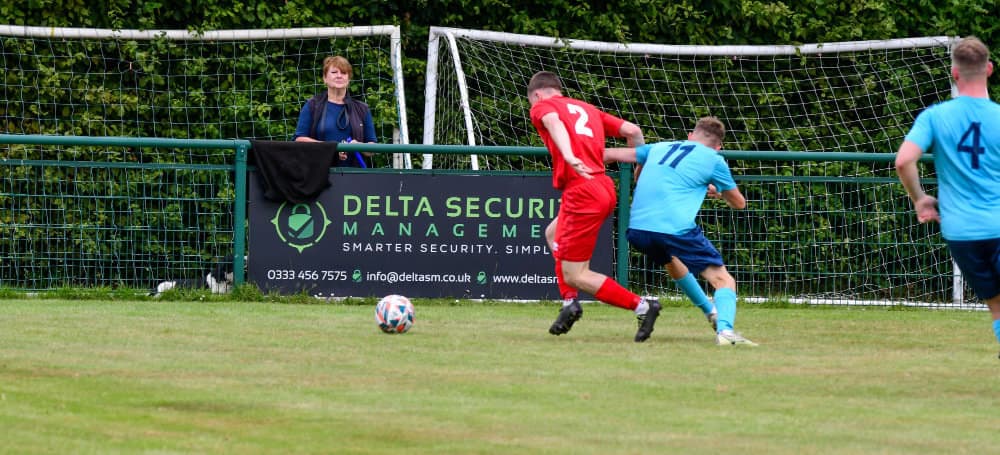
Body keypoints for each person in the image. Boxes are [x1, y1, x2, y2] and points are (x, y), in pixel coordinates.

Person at [527, 70, 662, 342]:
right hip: (601, 185)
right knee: (552, 234)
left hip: (583, 191)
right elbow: (633, 131)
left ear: (538, 95)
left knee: (576, 274)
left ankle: (643, 306)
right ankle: (569, 304)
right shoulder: (587, 108)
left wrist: (568, 154)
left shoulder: (543, 106)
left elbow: (553, 122)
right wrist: (640, 173)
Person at [606, 116, 758, 346]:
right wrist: (719, 192)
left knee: (672, 261)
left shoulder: (659, 147)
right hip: (673, 229)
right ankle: (726, 331)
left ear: (690, 136)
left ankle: (710, 312)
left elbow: (610, 154)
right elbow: (738, 203)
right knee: (723, 279)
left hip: (637, 230)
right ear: (718, 147)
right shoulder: (714, 159)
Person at [895, 36, 1000, 359]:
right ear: (989, 69)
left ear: (954, 73)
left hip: (961, 233)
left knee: (997, 307)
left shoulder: (934, 117)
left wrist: (920, 199)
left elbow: (903, 160)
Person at [293, 55, 376, 167]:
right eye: (334, 72)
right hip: (318, 172)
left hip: (354, 174)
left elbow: (372, 148)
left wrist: (358, 145)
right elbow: (299, 140)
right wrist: (333, 149)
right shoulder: (312, 105)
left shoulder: (362, 109)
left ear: (348, 79)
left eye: (343, 73)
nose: (339, 76)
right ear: (325, 78)